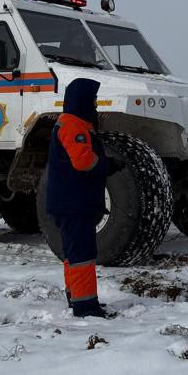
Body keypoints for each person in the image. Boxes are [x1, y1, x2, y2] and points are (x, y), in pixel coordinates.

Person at [46, 78, 121, 318]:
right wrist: (108, 165)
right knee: (82, 255)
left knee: (74, 254)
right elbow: (83, 161)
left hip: (72, 202)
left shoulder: (75, 124)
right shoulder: (72, 126)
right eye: (93, 100)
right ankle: (86, 307)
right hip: (74, 204)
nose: (96, 106)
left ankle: (77, 298)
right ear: (82, 100)